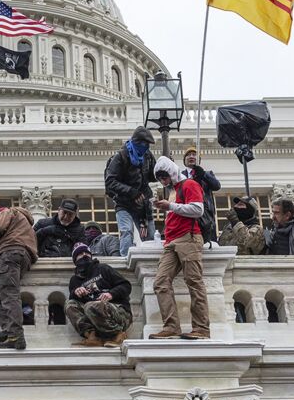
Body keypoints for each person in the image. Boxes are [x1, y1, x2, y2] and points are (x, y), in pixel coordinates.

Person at [149, 156, 209, 340]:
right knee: (160, 282)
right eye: (159, 178)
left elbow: (198, 209)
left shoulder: (189, 185)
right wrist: (169, 207)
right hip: (172, 242)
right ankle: (171, 327)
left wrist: (171, 206)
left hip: (188, 238)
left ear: (172, 172)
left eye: (164, 177)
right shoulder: (175, 190)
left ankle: (201, 329)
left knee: (194, 282)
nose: (162, 181)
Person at [0, 205, 38, 351]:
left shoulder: (8, 212)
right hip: (23, 256)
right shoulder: (24, 222)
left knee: (9, 295)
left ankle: (15, 335)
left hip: (11, 254)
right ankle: (9, 330)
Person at [66, 243, 133, 347]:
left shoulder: (103, 268)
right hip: (94, 317)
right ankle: (92, 336)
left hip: (119, 314)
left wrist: (111, 294)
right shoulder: (74, 280)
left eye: (87, 253)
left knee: (91, 305)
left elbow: (126, 285)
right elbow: (74, 305)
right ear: (75, 259)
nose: (84, 255)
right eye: (80, 254)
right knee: (70, 304)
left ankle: (118, 334)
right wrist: (76, 292)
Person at [104, 127, 158, 256]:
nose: (145, 147)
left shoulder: (147, 156)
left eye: (147, 144)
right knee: (126, 231)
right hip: (124, 203)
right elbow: (110, 181)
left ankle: (150, 259)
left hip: (142, 205)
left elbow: (153, 175)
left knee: (149, 233)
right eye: (143, 144)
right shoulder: (121, 156)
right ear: (136, 142)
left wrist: (164, 167)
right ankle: (125, 259)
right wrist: (131, 192)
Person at [182, 147, 222, 245]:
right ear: (184, 160)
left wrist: (203, 174)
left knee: (206, 244)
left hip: (205, 216)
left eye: (194, 154)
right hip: (186, 213)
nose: (191, 156)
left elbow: (216, 186)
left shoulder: (207, 174)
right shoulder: (180, 175)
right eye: (188, 154)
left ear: (199, 159)